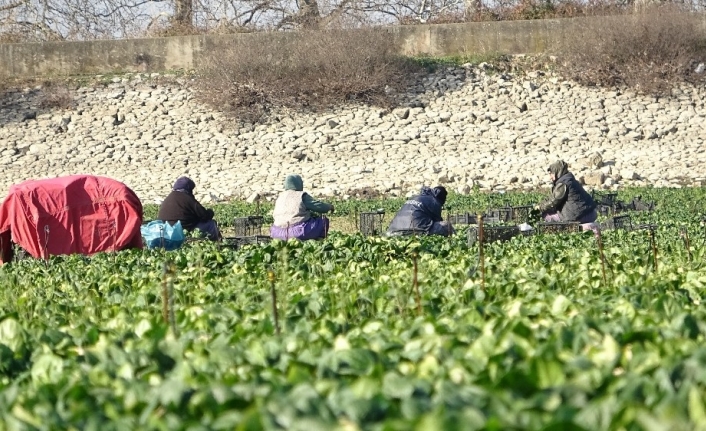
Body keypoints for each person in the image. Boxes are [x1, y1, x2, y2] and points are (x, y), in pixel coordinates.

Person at [270, 174, 334, 240]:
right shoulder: (301, 196)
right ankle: (318, 241)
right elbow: (319, 207)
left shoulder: (281, 196)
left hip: (276, 232)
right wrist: (330, 207)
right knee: (323, 221)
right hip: (297, 232)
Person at [157, 177, 221, 241]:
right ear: (188, 188)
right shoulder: (188, 198)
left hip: (166, 230)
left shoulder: (168, 198)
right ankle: (218, 243)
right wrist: (210, 212)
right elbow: (204, 215)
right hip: (183, 230)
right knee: (211, 224)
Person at [387, 186, 454, 237]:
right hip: (415, 230)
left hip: (392, 231)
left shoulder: (415, 197)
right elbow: (438, 221)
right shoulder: (435, 202)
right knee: (447, 226)